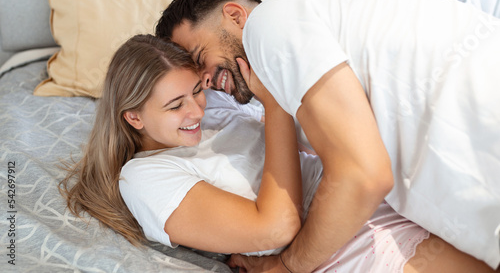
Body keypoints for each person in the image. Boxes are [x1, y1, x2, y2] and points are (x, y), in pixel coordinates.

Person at [59, 34, 494, 273]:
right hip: (338, 241)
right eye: (175, 107)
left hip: (369, 187)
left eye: (197, 91)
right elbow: (275, 228)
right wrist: (276, 106)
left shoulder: (216, 108)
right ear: (133, 118)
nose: (196, 111)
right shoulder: (145, 178)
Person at [155, 0, 500, 272]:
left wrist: (288, 265)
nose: (207, 82)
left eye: (200, 59)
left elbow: (361, 175)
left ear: (235, 15)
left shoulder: (269, 25)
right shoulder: (308, 35)